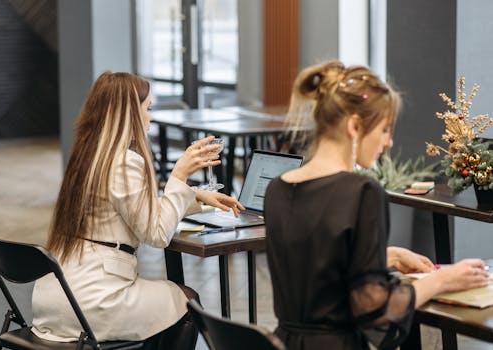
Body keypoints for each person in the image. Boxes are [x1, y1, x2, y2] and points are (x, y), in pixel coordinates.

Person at [264, 60, 489, 350]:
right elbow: (374, 307)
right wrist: (442, 280)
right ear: (355, 126)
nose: (389, 142)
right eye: (385, 130)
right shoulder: (361, 192)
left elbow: (317, 270)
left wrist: (387, 256)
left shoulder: (278, 188)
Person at [31, 71, 244, 349]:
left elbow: (131, 205)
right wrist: (179, 176)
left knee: (172, 302)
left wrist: (194, 196)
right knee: (186, 302)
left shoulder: (89, 155)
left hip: (56, 296)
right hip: (92, 301)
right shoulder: (125, 161)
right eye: (148, 108)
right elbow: (157, 234)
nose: (151, 117)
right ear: (130, 113)